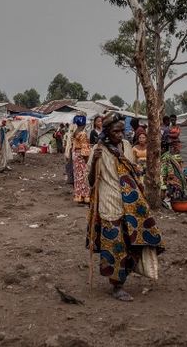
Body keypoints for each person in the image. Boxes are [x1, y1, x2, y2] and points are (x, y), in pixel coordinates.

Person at [86, 118, 164, 301]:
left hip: (130, 202)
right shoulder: (98, 150)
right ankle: (116, 285)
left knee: (132, 240)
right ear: (106, 131)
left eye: (122, 131)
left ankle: (131, 271)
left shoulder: (127, 146)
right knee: (114, 244)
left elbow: (133, 170)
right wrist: (95, 161)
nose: (120, 135)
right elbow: (90, 181)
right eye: (115, 132)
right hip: (109, 202)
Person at [71, 118, 92, 204]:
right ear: (83, 125)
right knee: (84, 175)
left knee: (77, 176)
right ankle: (85, 196)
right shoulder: (83, 133)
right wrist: (87, 158)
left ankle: (78, 195)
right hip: (81, 155)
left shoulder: (75, 132)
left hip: (75, 154)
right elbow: (85, 148)